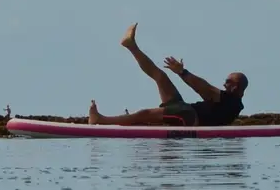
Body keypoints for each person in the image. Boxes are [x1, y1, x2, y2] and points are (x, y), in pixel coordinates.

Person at [87, 24, 247, 127]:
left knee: (145, 113)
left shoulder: (231, 101)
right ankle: (131, 46)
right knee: (160, 76)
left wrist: (182, 72)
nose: (224, 84)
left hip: (189, 117)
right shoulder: (229, 103)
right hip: (186, 109)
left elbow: (204, 88)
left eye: (228, 82)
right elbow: (206, 91)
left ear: (235, 86)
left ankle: (101, 120)